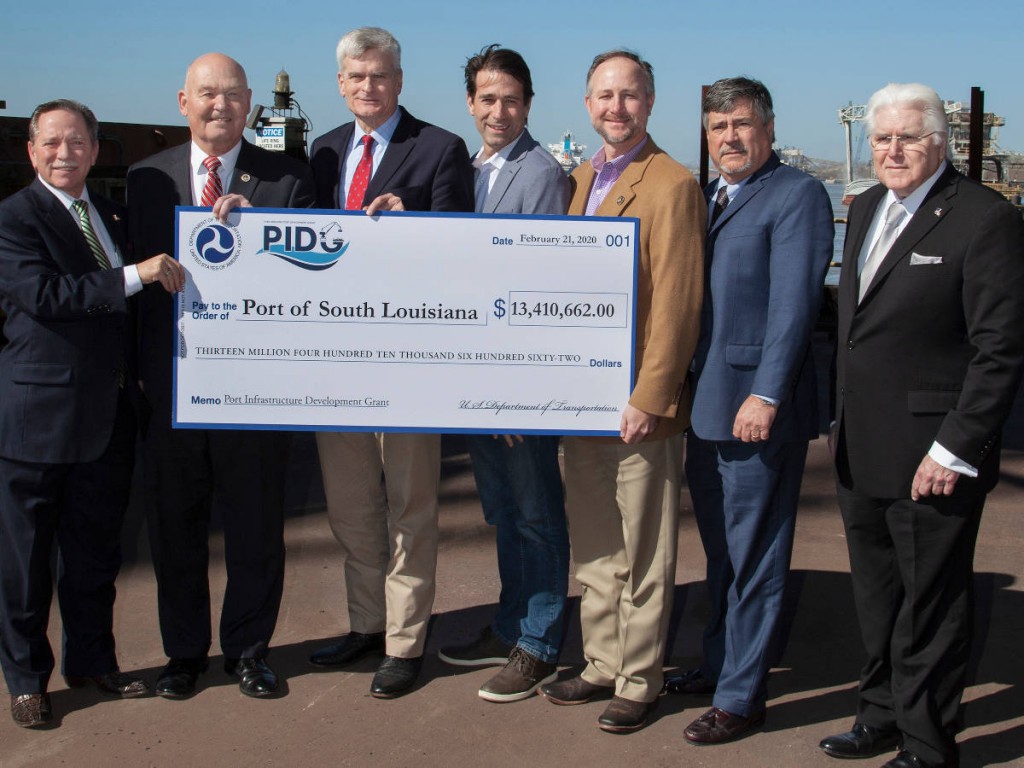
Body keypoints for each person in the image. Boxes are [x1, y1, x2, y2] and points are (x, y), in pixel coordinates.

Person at [820, 83, 1024, 768]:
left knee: (932, 608)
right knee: (877, 599)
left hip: (932, 456)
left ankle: (929, 743)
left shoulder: (983, 219)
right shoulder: (870, 206)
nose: (893, 149)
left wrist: (956, 448)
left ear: (940, 142)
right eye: (883, 138)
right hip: (861, 446)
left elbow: (1000, 349)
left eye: (909, 137)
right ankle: (878, 715)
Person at [127, 53, 315, 700]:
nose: (220, 106)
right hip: (172, 390)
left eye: (233, 96)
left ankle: (249, 651)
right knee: (175, 528)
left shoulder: (287, 180)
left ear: (251, 104)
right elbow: (132, 285)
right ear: (184, 101)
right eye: (208, 95)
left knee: (256, 529)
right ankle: (183, 655)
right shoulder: (144, 179)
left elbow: (314, 278)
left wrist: (258, 234)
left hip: (254, 394)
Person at [0, 99, 184, 727]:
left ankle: (92, 661)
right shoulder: (14, 219)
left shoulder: (108, 213)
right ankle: (27, 679)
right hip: (38, 422)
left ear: (95, 148)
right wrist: (136, 274)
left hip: (108, 419)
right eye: (51, 143)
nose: (64, 153)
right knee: (25, 563)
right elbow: (44, 295)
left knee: (95, 554)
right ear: (32, 150)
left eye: (77, 142)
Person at [538, 50, 704, 733]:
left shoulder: (672, 184)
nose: (616, 107)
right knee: (598, 541)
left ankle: (640, 677)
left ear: (650, 101)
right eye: (604, 96)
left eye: (629, 95)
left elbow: (678, 302)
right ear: (586, 105)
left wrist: (651, 397)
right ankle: (602, 659)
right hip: (581, 401)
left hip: (639, 408)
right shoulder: (577, 181)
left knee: (644, 552)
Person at [664, 77, 834, 745]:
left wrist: (765, 394)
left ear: (768, 127)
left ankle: (742, 696)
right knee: (722, 552)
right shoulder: (710, 197)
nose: (729, 137)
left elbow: (794, 307)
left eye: (740, 124)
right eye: (717, 128)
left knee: (757, 554)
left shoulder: (797, 196)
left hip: (755, 410)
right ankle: (718, 662)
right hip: (706, 409)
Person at [307, 26, 474, 699]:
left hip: (410, 361)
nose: (369, 88)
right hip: (338, 360)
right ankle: (367, 623)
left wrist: (417, 226)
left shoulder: (439, 148)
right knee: (350, 506)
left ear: (398, 82)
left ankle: (405, 642)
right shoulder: (322, 152)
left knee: (410, 506)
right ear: (341, 84)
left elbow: (465, 251)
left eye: (380, 76)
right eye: (357, 77)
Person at [435, 45, 570, 703]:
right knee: (506, 512)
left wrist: (519, 394)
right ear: (470, 103)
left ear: (528, 104)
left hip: (515, 386)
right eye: (487, 99)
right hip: (474, 381)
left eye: (510, 99)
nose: (498, 110)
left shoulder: (540, 173)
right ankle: (511, 622)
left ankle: (540, 643)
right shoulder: (469, 170)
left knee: (536, 512)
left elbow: (535, 290)